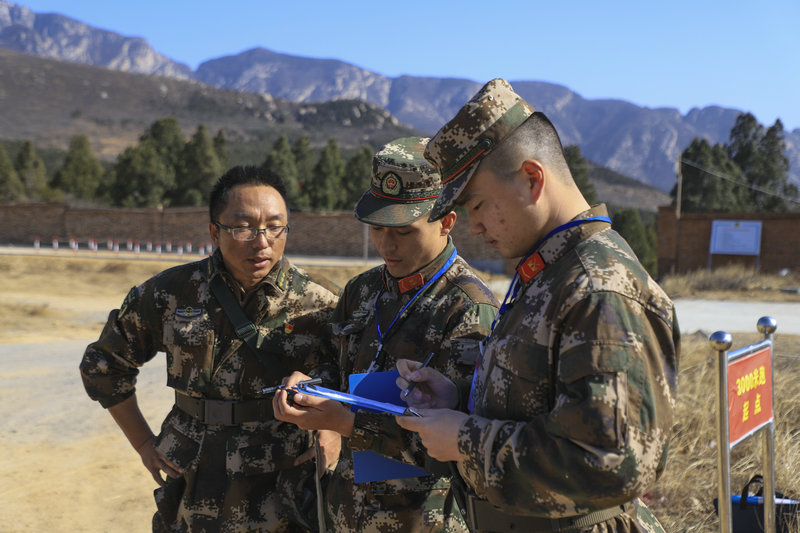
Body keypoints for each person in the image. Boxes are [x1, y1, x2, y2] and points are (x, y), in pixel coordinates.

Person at [395, 79, 680, 532]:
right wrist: (461, 403)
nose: (475, 227)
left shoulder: (598, 288)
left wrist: (465, 439)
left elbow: (613, 462)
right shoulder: (550, 273)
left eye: (479, 204)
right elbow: (544, 407)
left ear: (532, 179)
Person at [79, 165, 340, 532]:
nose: (262, 240)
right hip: (195, 481)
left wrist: (335, 433)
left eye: (275, 226)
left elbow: (356, 381)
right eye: (243, 226)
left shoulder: (322, 303)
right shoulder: (170, 292)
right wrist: (142, 443)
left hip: (285, 484)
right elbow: (103, 366)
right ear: (214, 232)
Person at [272, 137, 499, 532]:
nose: (386, 245)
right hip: (345, 514)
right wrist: (313, 389)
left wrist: (347, 423)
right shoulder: (363, 290)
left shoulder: (468, 308)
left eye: (404, 232)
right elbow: (334, 364)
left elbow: (458, 445)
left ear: (447, 221)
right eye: (377, 228)